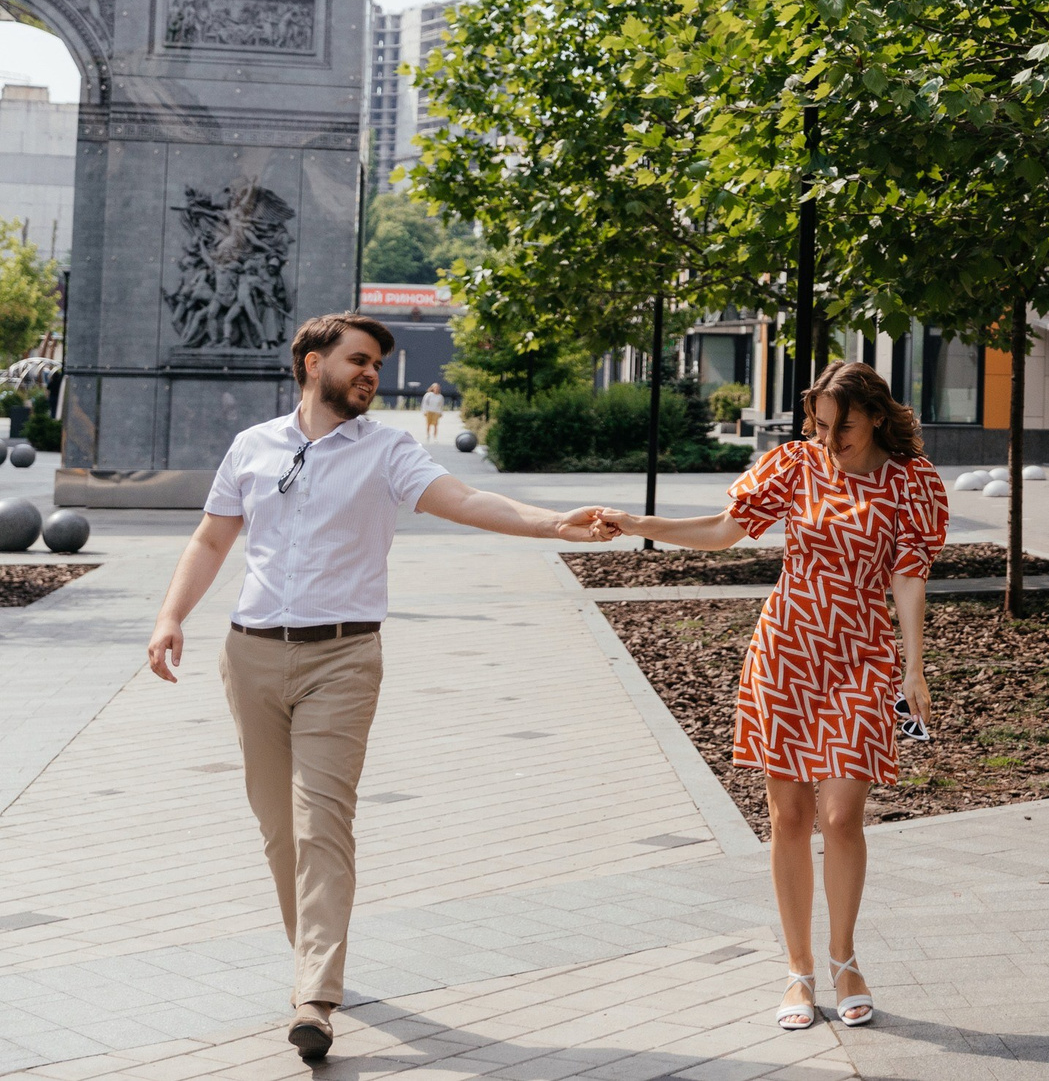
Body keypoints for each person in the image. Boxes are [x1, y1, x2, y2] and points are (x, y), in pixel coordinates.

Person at [145, 313, 615, 1062]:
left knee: (320, 825)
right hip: (251, 656)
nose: (370, 373)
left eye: (376, 364)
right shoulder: (252, 447)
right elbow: (211, 537)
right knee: (276, 829)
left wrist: (554, 523)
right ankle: (312, 960)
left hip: (343, 658)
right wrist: (171, 616)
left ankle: (314, 997)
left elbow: (466, 501)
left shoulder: (388, 450)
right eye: (358, 361)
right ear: (311, 364)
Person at [603, 360, 945, 1031]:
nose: (830, 437)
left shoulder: (913, 482)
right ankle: (799, 972)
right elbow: (725, 529)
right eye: (819, 424)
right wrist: (635, 521)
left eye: (841, 424)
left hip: (862, 657)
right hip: (787, 651)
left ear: (875, 414)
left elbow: (909, 577)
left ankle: (846, 958)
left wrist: (914, 668)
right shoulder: (794, 465)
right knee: (789, 818)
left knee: (842, 815)